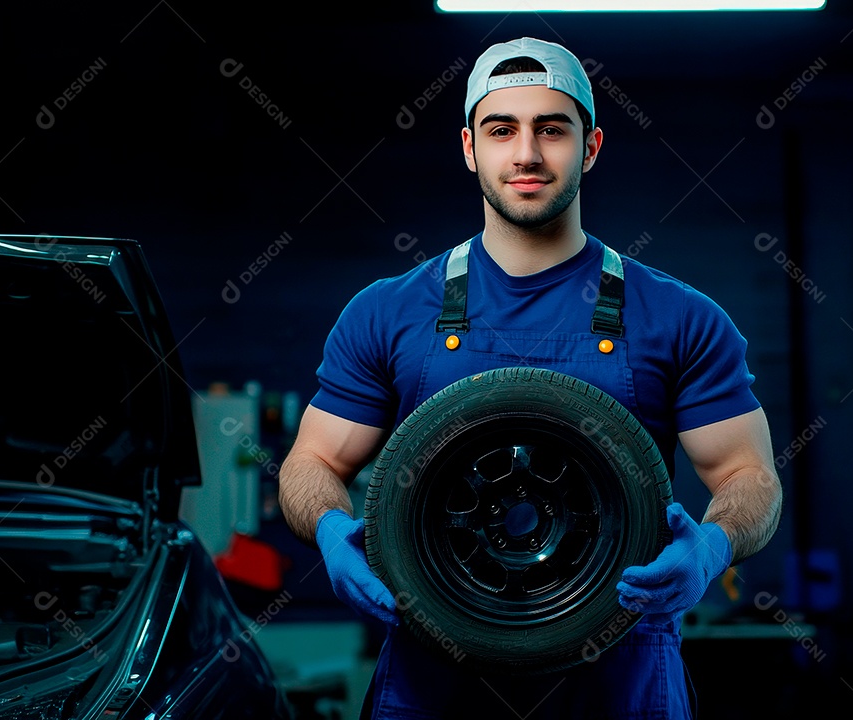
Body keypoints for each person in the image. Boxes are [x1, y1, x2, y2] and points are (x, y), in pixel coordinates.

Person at [279, 36, 782, 720]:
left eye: (552, 129)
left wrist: (712, 547)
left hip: (619, 670)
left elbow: (750, 477)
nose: (526, 154)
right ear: (468, 148)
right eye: (501, 130)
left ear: (592, 145)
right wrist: (334, 530)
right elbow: (310, 461)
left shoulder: (681, 316)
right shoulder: (388, 311)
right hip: (439, 676)